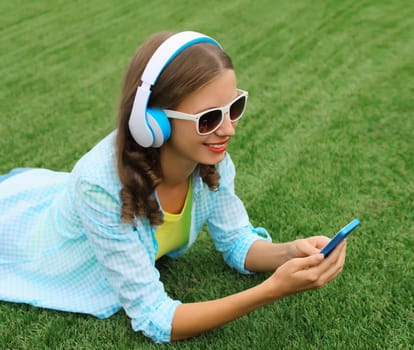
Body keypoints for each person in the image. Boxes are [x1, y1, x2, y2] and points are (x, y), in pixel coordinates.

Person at [0, 31, 347, 343]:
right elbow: (155, 318)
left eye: (234, 108)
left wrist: (291, 253)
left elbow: (237, 241)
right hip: (37, 249)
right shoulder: (100, 187)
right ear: (153, 122)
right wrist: (271, 290)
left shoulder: (209, 158)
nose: (228, 130)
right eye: (208, 118)